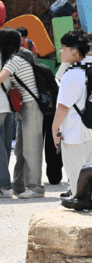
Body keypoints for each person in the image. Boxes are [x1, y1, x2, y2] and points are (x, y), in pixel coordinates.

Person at [50, 30, 92, 201]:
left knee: (75, 168)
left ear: (74, 51)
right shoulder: (89, 70)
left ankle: (79, 199)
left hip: (73, 129)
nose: (60, 51)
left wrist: (54, 127)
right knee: (88, 166)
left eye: (63, 47)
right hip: (88, 126)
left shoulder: (71, 75)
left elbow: (63, 106)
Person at [0, 28, 45, 198]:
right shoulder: (20, 57)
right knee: (20, 148)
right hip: (23, 107)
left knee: (31, 148)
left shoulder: (14, 60)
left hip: (32, 106)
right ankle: (19, 185)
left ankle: (35, 188)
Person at [0, 31, 15, 198]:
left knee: (1, 148)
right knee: (4, 146)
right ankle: (3, 183)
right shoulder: (11, 56)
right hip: (8, 106)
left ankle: (4, 184)